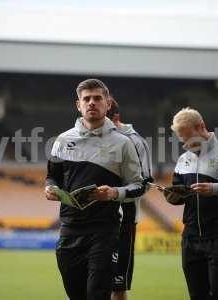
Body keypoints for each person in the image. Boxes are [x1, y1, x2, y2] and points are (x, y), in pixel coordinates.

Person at [44, 79, 145, 300]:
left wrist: (114, 193)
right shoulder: (62, 140)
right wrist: (50, 188)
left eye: (97, 98)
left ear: (108, 104)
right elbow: (52, 176)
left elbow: (139, 186)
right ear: (78, 105)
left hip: (105, 232)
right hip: (69, 231)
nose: (92, 102)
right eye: (86, 98)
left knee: (97, 295)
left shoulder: (123, 143)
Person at [164, 107, 218, 300]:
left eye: (188, 138)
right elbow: (180, 192)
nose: (186, 144)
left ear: (201, 127)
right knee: (197, 295)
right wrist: (173, 197)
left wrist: (215, 188)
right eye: (182, 140)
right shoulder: (182, 160)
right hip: (190, 237)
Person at [107, 97, 153, 300]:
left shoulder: (136, 141)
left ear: (115, 117)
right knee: (84, 282)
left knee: (118, 285)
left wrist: (116, 193)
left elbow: (146, 182)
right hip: (89, 220)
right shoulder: (91, 136)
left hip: (122, 220)